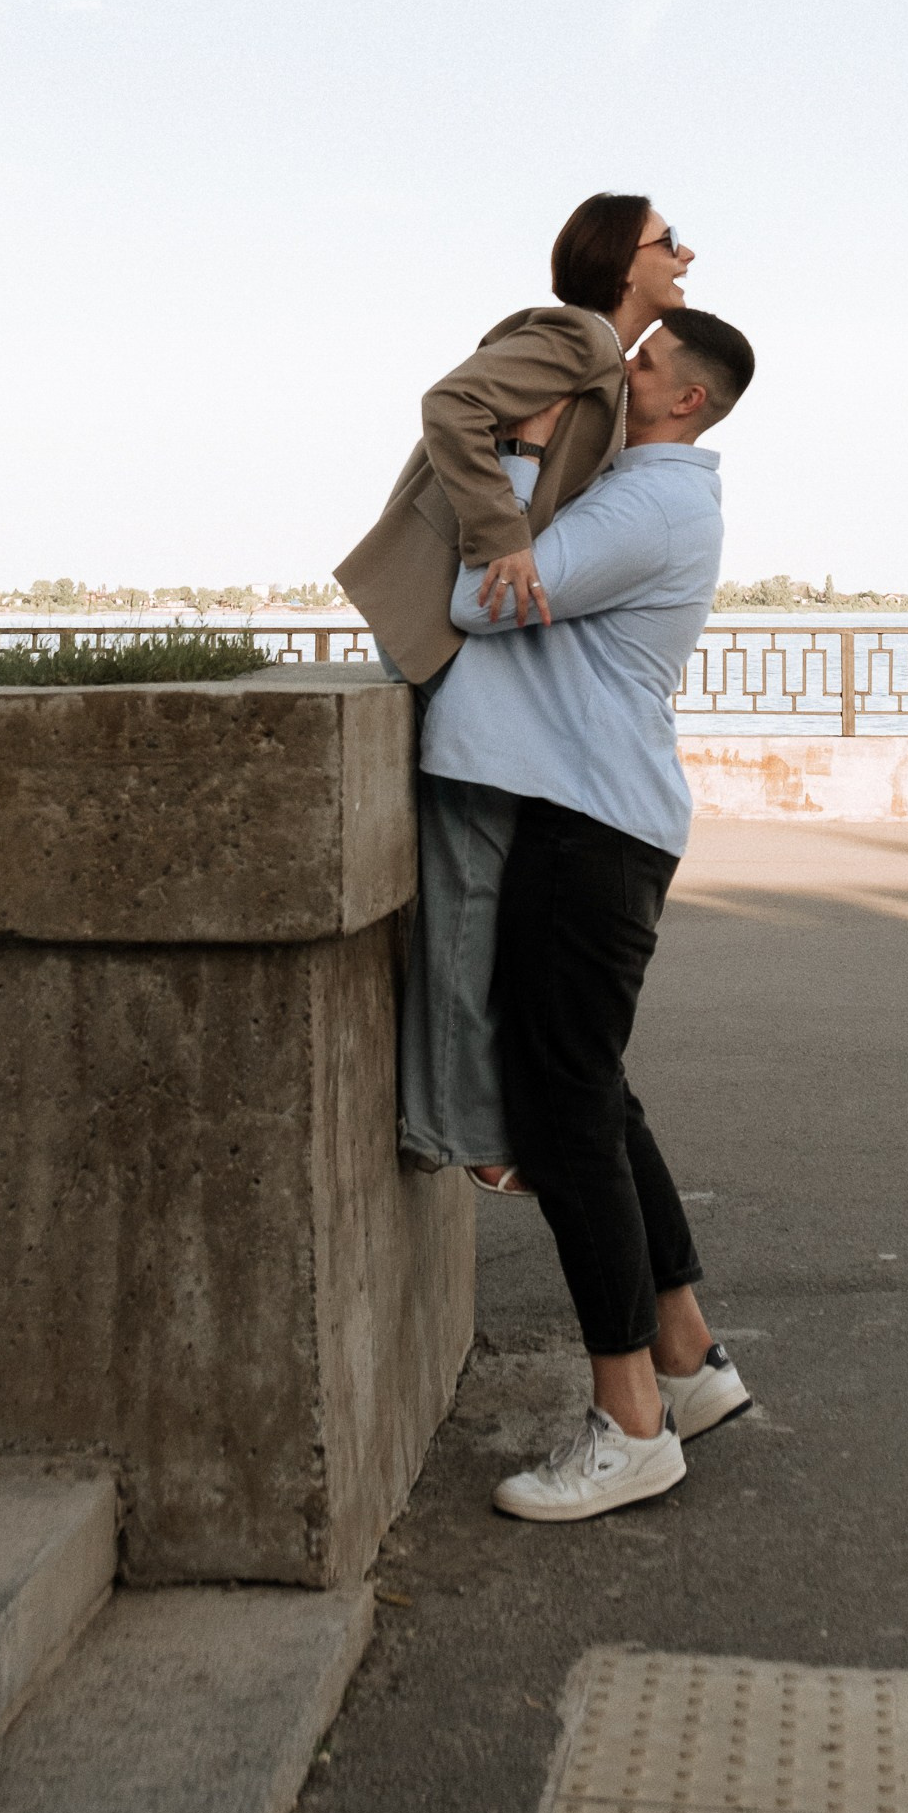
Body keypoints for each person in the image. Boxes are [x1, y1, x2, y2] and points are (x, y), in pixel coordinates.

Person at [426, 305, 759, 1521]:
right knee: (594, 1095)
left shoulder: (646, 506)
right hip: (598, 818)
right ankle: (686, 1355)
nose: (620, 370)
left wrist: (516, 453)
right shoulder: (648, 495)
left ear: (683, 400)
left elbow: (479, 598)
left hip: (589, 826)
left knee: (564, 1118)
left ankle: (630, 1424)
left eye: (642, 362)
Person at [336, 196, 699, 1178]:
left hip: (462, 631)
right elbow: (448, 404)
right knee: (470, 886)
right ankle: (455, 1127)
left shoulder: (600, 365)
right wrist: (501, 534)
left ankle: (460, 1118)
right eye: (668, 241)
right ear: (621, 260)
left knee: (480, 886)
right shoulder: (578, 338)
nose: (686, 254)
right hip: (438, 624)